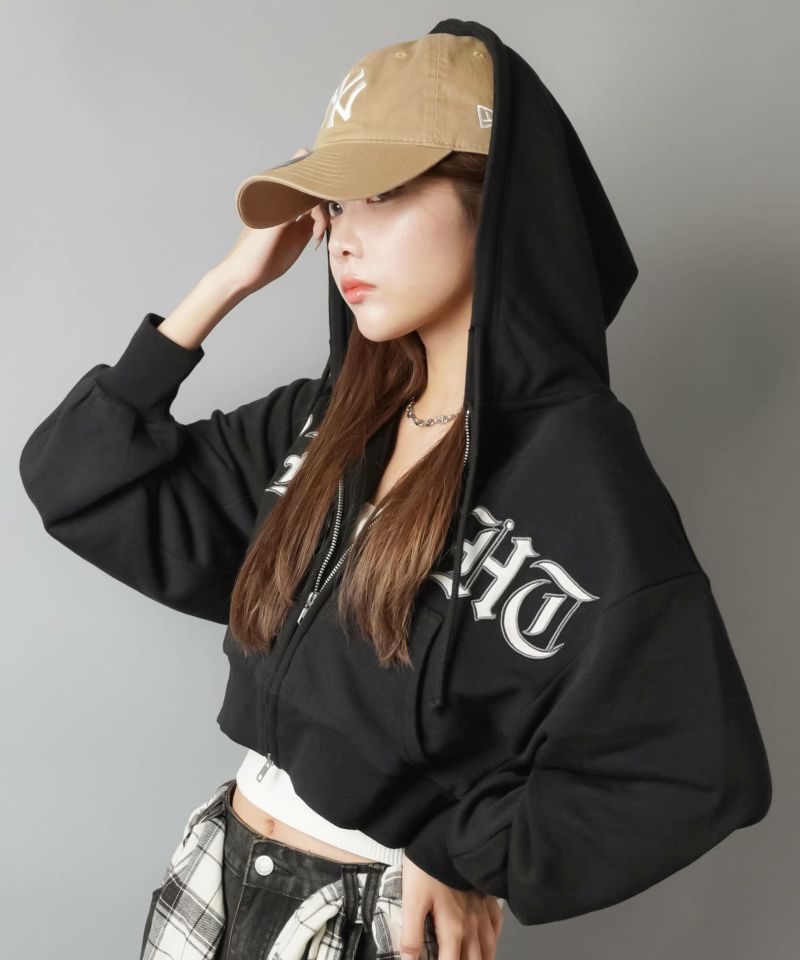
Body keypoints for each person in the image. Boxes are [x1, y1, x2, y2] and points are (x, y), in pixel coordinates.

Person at [18, 16, 772, 960]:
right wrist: (226, 282)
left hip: (368, 918)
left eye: (381, 195)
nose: (344, 240)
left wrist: (462, 849)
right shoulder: (326, 423)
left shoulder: (577, 472)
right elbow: (74, 479)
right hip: (215, 871)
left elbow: (691, 771)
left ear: (497, 207)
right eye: (334, 208)